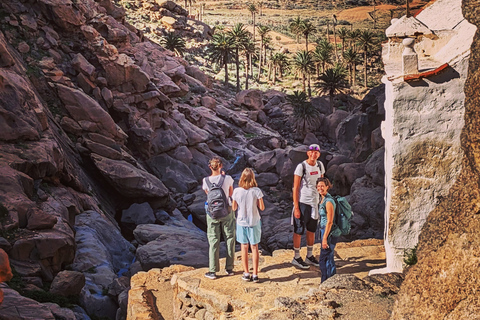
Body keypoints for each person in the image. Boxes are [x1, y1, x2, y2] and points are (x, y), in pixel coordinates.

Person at [291, 144, 325, 269]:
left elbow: (322, 183)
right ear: (308, 153)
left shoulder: (320, 166)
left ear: (319, 154)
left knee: (312, 229)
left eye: (316, 152)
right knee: (299, 230)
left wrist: (323, 199)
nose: (313, 154)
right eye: (311, 152)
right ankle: (296, 257)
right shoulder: (301, 167)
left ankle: (309, 255)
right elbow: (295, 187)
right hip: (303, 202)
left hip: (315, 202)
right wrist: (296, 207)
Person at [202, 157, 236, 280]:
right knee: (230, 238)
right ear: (221, 165)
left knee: (213, 240)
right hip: (227, 211)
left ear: (210, 167)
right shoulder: (228, 179)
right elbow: (231, 194)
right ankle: (230, 268)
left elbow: (209, 195)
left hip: (212, 214)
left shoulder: (205, 181)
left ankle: (212, 271)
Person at [232, 168, 265, 283]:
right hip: (254, 221)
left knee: (244, 247)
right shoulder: (256, 191)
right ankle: (255, 274)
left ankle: (246, 273)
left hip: (241, 222)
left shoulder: (236, 191)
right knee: (255, 247)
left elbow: (234, 208)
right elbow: (262, 207)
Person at [317, 177, 338, 282]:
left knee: (324, 259)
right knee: (328, 257)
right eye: (318, 186)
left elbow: (330, 221)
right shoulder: (322, 199)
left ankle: (327, 282)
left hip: (328, 231)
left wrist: (324, 238)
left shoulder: (329, 201)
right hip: (323, 230)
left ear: (327, 187)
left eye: (322, 186)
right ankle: (329, 281)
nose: (320, 188)